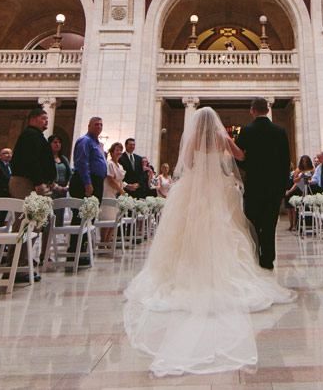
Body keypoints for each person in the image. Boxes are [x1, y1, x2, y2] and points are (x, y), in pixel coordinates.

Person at [123, 106, 295, 376]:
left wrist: (203, 167)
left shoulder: (191, 139)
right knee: (225, 228)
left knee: (189, 230)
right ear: (213, 123)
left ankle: (189, 269)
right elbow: (239, 157)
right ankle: (235, 267)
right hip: (217, 188)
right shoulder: (222, 138)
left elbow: (187, 165)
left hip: (195, 189)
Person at [233, 98, 290, 270]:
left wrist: (248, 166)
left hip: (254, 187)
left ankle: (255, 255)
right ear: (267, 109)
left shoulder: (247, 130)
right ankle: (268, 260)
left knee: (253, 225)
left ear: (252, 110)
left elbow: (238, 157)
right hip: (274, 188)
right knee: (270, 225)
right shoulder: (280, 131)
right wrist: (282, 188)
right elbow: (285, 161)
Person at [8, 109, 56, 280]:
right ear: (33, 120)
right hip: (27, 182)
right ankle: (17, 266)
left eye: (47, 118)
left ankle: (21, 263)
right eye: (43, 118)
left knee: (32, 223)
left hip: (32, 182)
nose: (46, 121)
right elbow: (32, 160)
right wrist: (38, 182)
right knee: (25, 223)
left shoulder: (36, 136)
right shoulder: (31, 136)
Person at [70, 116, 107, 268]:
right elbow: (82, 162)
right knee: (80, 217)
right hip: (86, 181)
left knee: (90, 216)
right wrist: (87, 183)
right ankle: (74, 250)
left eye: (101, 124)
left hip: (96, 181)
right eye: (96, 124)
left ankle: (83, 249)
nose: (99, 126)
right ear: (89, 126)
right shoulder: (85, 141)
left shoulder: (97, 143)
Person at [101, 141, 125, 245]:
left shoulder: (120, 166)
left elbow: (120, 180)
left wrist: (121, 189)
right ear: (112, 152)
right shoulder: (110, 164)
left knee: (114, 219)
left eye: (120, 150)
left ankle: (108, 241)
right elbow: (110, 179)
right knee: (107, 218)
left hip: (117, 192)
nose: (119, 152)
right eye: (117, 150)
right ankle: (103, 242)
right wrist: (120, 190)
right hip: (109, 191)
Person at [284, 157, 311, 230]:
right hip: (287, 192)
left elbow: (296, 183)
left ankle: (295, 225)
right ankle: (291, 225)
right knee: (289, 210)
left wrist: (290, 190)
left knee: (294, 210)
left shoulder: (294, 173)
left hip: (295, 191)